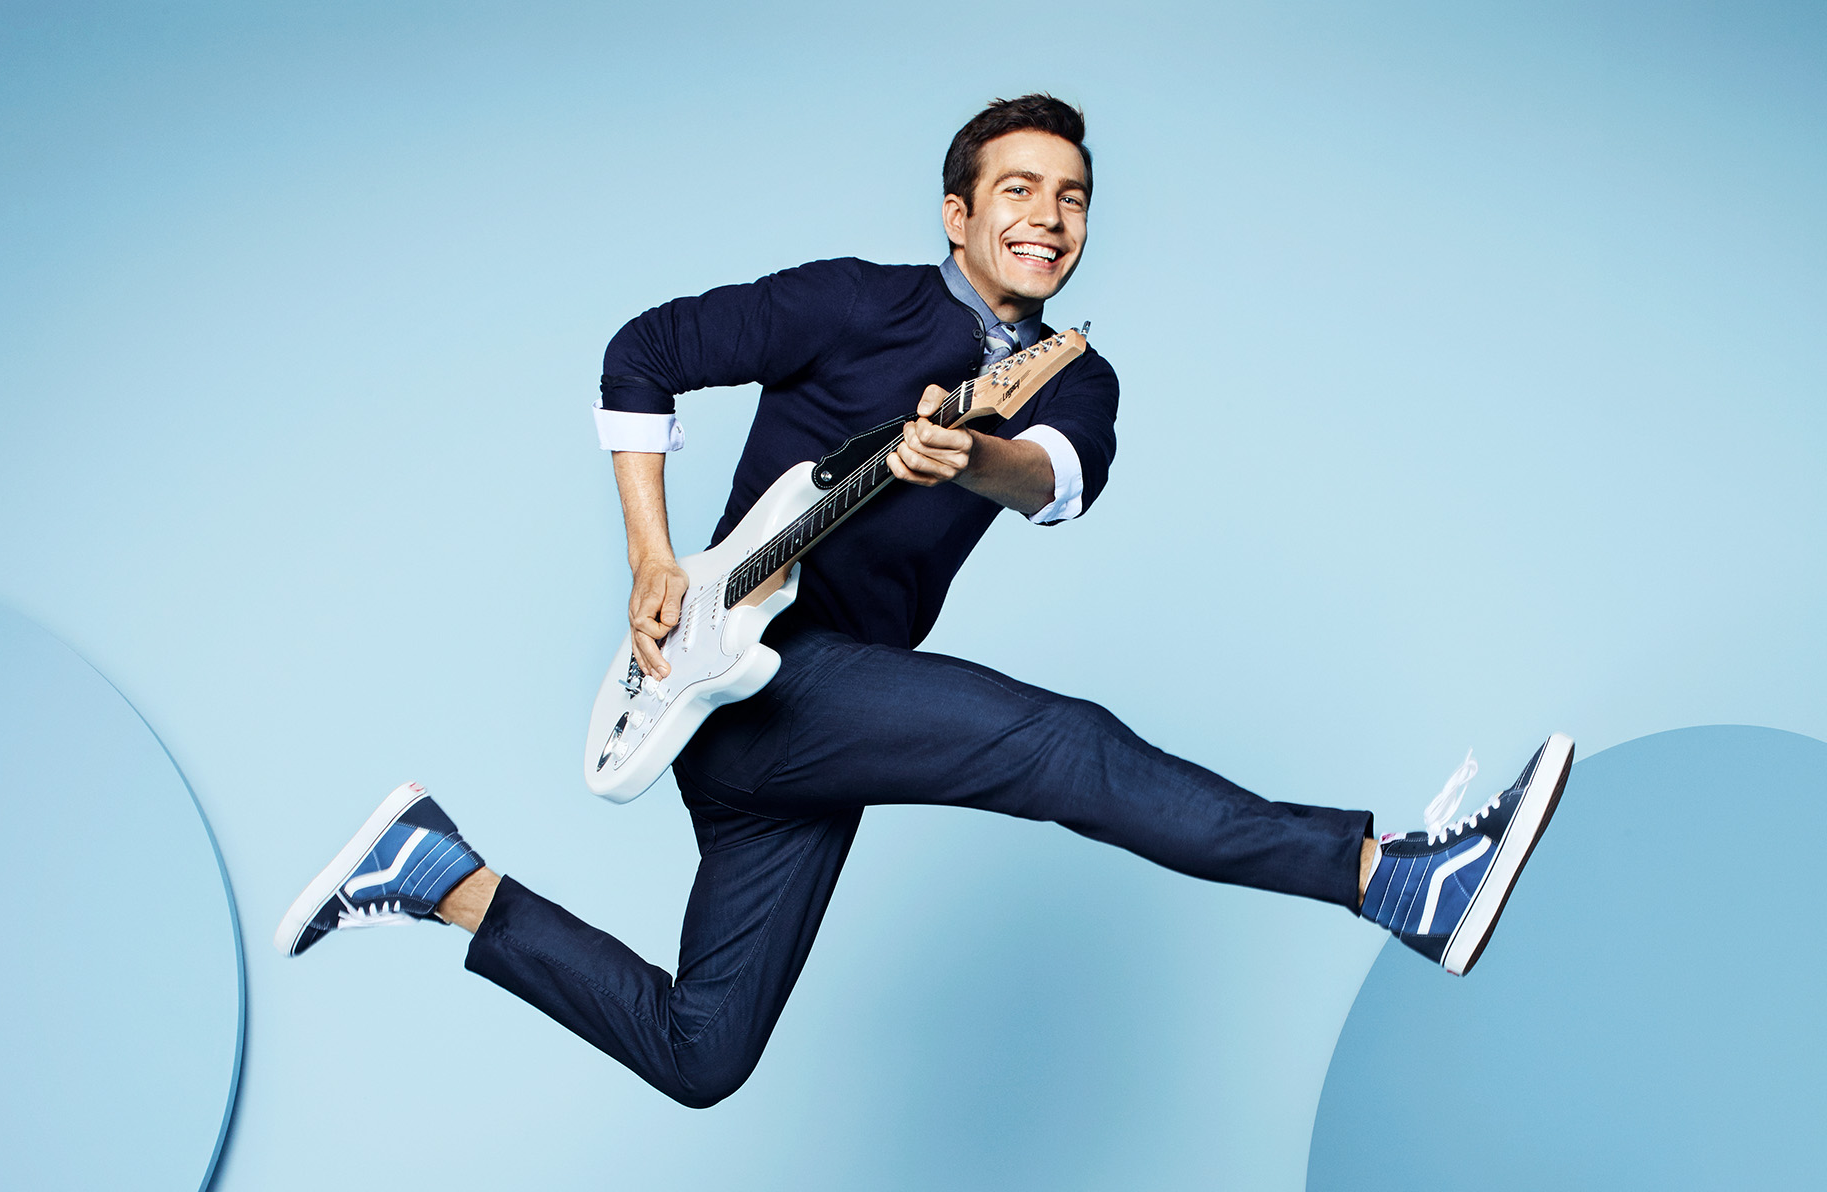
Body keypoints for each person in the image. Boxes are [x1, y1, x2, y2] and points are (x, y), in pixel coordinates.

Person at [276, 94, 1572, 1109]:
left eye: (1073, 198)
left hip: (805, 726)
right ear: (957, 214)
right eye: (1019, 189)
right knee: (1060, 746)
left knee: (701, 1052)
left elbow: (1055, 481)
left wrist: (975, 457)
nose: (1049, 216)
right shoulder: (854, 302)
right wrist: (651, 558)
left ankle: (440, 876)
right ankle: (1387, 879)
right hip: (741, 676)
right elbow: (644, 352)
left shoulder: (1071, 375)